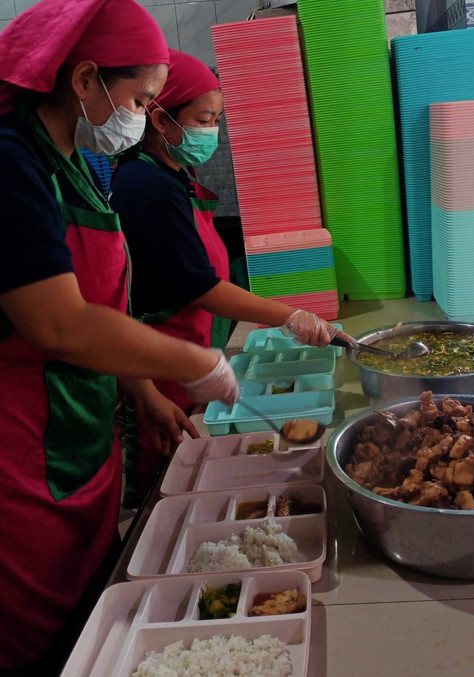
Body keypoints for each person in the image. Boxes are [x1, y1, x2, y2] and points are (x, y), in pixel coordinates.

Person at [0, 2, 240, 673]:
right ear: (83, 81)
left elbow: (103, 304)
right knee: (46, 647)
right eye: (139, 99)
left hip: (87, 444)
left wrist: (143, 391)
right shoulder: (11, 163)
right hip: (21, 464)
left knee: (97, 626)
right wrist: (194, 360)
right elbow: (60, 322)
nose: (141, 116)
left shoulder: (79, 161)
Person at [109, 49, 354, 506]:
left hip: (188, 361)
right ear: (160, 120)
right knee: (164, 496)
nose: (211, 130)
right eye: (203, 118)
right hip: (158, 370)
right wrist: (290, 316)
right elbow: (199, 286)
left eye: (217, 118)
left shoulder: (174, 174)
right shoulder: (147, 188)